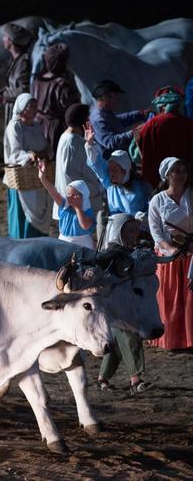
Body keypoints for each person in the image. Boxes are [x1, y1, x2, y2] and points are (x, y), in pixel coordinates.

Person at [97, 213, 153, 394]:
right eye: (129, 230)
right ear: (119, 232)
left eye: (136, 230)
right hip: (114, 306)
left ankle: (103, 379)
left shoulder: (133, 250)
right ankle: (135, 379)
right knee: (130, 336)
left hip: (128, 305)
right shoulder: (111, 253)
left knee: (117, 343)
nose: (134, 234)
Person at [148, 157, 193, 350]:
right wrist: (171, 250)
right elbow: (156, 232)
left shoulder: (191, 196)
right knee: (171, 297)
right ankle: (172, 339)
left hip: (192, 252)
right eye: (177, 171)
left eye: (184, 170)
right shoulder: (157, 201)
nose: (182, 174)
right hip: (170, 255)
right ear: (167, 175)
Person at [3, 93, 53, 238]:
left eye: (35, 107)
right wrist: (30, 156)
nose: (34, 110)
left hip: (37, 178)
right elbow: (14, 153)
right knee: (23, 220)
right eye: (30, 107)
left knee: (40, 213)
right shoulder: (15, 127)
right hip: (23, 181)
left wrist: (45, 152)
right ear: (22, 108)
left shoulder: (36, 126)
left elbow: (43, 146)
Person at [85, 125, 152, 217]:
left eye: (115, 169)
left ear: (125, 170)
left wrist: (142, 216)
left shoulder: (142, 186)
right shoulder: (109, 184)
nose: (111, 173)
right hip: (117, 228)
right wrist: (90, 144)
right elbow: (97, 164)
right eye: (109, 169)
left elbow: (152, 208)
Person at [54, 103, 104, 224]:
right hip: (76, 203)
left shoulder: (67, 137)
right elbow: (71, 174)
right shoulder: (72, 142)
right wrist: (95, 189)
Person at [30, 42, 80, 159]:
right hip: (54, 130)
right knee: (55, 162)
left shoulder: (36, 81)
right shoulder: (63, 85)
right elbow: (71, 111)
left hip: (36, 126)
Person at [137, 86, 193, 189]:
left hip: (160, 183)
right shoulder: (189, 124)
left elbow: (140, 146)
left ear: (162, 105)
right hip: (185, 182)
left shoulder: (152, 124)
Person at [39, 162, 96, 249]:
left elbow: (85, 225)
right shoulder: (64, 206)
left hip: (82, 245)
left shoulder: (87, 211)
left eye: (73, 195)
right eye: (68, 194)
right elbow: (53, 192)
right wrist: (42, 178)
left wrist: (78, 208)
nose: (69, 197)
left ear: (82, 196)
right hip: (64, 243)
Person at [88, 79, 149, 159]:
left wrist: (140, 114)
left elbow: (117, 121)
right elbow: (111, 142)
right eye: (115, 96)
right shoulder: (98, 119)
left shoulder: (105, 113)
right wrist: (135, 132)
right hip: (114, 166)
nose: (118, 100)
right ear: (105, 97)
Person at [0, 23, 33, 127]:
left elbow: (24, 90)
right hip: (13, 109)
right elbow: (10, 83)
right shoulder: (14, 60)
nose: (3, 39)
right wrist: (0, 92)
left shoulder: (24, 62)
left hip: (21, 114)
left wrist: (4, 95)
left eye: (5, 37)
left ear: (11, 41)